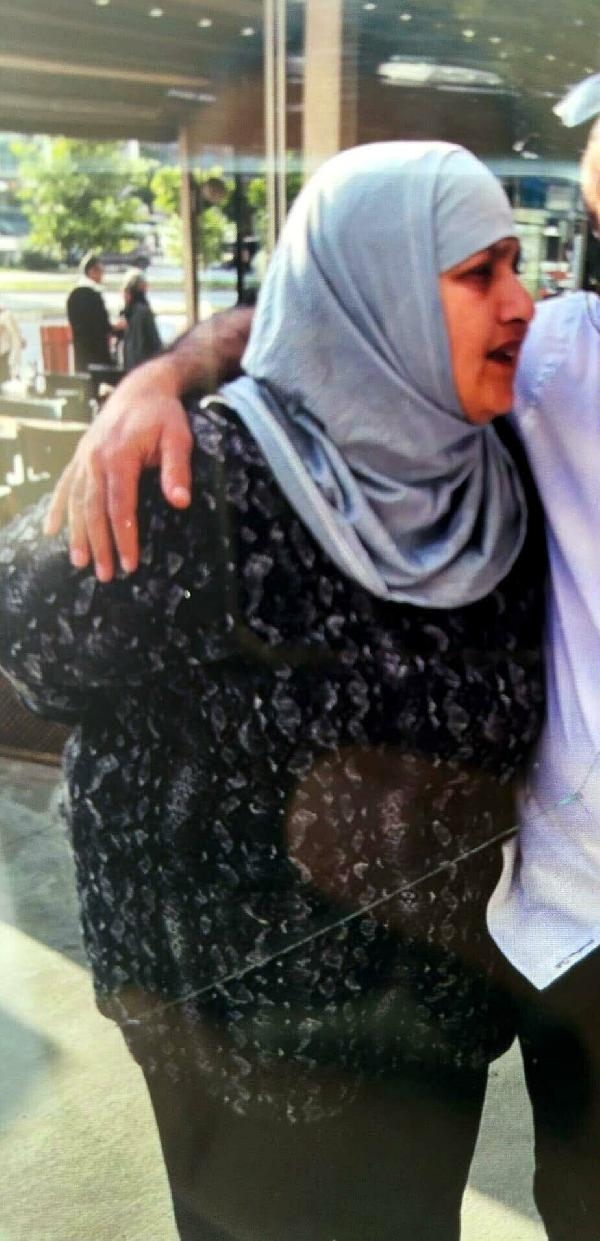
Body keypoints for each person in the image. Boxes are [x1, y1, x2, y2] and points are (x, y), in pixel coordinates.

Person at [0, 142, 544, 1240]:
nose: (521, 300)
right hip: (237, 1051)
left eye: (515, 264)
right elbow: (32, 643)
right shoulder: (198, 480)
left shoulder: (495, 474)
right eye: (477, 272)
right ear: (380, 291)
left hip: (432, 1028)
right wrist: (160, 380)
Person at [66, 252, 115, 374]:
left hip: (81, 351)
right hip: (97, 351)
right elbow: (102, 325)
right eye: (101, 272)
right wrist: (116, 326)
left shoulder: (73, 295)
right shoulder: (93, 295)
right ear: (92, 272)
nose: (102, 276)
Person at [120, 268, 162, 373]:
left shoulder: (130, 313)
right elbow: (155, 343)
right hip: (143, 369)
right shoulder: (143, 311)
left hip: (133, 369)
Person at [0, 306, 25, 384]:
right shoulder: (8, 315)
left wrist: (20, 339)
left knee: (6, 377)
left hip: (6, 353)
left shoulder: (5, 316)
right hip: (8, 352)